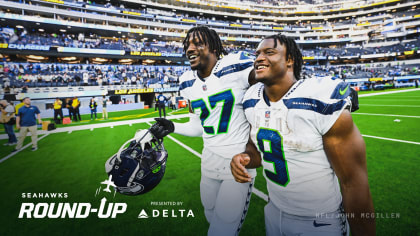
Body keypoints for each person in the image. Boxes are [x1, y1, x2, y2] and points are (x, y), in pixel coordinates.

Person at [231, 34, 375, 236]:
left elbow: (353, 183)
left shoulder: (320, 98)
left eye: (269, 52)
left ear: (290, 60)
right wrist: (244, 158)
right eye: (257, 53)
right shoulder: (251, 99)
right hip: (273, 212)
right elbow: (257, 149)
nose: (258, 58)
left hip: (319, 221)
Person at [149, 26, 260, 236]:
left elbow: (269, 81)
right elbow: (197, 126)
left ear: (215, 48)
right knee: (211, 216)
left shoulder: (235, 66)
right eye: (187, 45)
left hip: (237, 164)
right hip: (208, 162)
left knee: (223, 228)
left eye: (198, 43)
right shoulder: (187, 81)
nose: (190, 48)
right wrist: (172, 127)